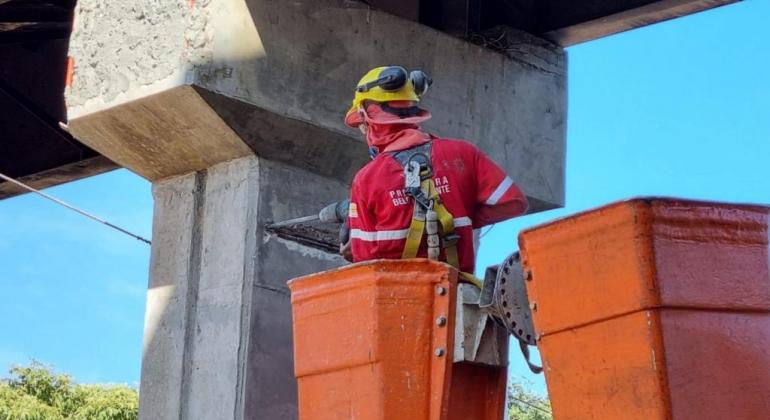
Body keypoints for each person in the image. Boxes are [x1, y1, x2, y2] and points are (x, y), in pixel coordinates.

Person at [340, 66, 528, 277]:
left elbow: (365, 260)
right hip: (456, 294)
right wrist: (457, 210)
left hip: (396, 300)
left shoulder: (366, 179)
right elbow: (513, 203)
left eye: (362, 125)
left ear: (368, 118)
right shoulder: (463, 153)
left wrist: (353, 244)